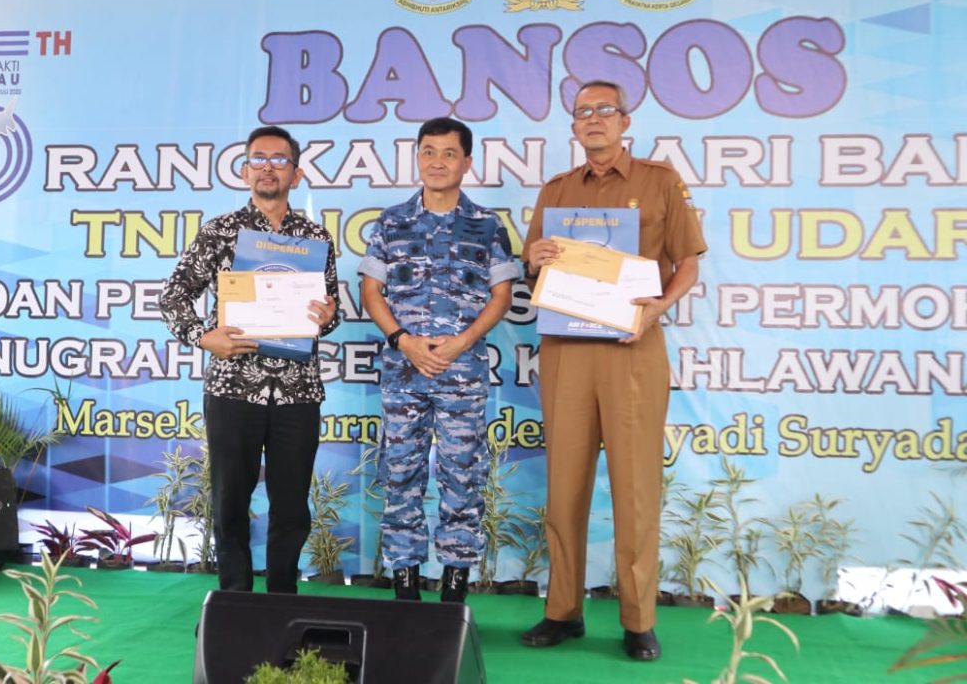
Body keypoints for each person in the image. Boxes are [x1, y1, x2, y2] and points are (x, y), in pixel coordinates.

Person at [520, 81, 707, 661]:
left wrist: (658, 307)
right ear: (574, 127)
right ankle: (562, 610)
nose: (594, 119)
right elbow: (534, 266)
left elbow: (688, 262)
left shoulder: (660, 181)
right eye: (583, 112)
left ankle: (638, 619)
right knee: (565, 487)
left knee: (635, 489)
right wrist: (534, 257)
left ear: (625, 121)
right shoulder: (556, 191)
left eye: (605, 110)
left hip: (633, 347)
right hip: (567, 350)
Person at [159, 125, 339, 594]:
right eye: (258, 158)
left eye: (279, 160)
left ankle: (282, 598)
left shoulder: (315, 238)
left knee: (292, 506)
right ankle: (235, 600)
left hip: (298, 392)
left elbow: (329, 312)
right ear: (244, 171)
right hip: (233, 388)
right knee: (230, 502)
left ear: (296, 174)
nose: (267, 167)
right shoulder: (220, 232)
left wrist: (328, 315)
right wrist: (204, 338)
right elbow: (173, 296)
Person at [358, 117, 519, 603]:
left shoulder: (487, 224)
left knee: (462, 477)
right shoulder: (391, 222)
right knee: (400, 475)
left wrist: (463, 341)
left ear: (466, 162)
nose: (437, 162)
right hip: (403, 373)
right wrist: (402, 340)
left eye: (448, 153)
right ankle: (405, 588)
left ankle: (453, 590)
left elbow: (502, 294)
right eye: (428, 151)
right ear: (418, 158)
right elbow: (371, 290)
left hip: (461, 373)